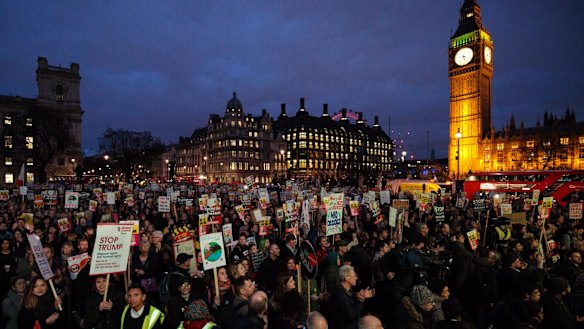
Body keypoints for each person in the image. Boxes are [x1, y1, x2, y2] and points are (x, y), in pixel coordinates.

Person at [332, 265, 375, 329]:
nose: (356, 278)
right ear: (346, 278)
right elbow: (352, 318)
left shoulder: (349, 291)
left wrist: (363, 296)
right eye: (354, 276)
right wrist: (360, 301)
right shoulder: (340, 295)